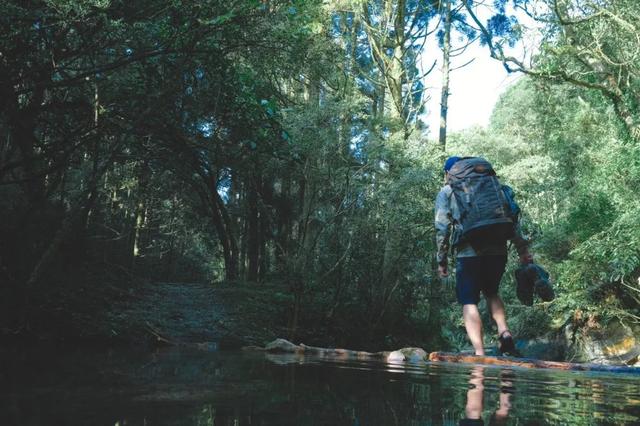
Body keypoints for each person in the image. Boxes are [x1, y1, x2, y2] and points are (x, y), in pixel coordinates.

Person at [435, 156, 532, 356]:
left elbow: (442, 228)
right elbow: (512, 218)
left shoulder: (447, 191)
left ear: (448, 173)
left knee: (468, 301)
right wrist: (523, 250)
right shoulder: (494, 187)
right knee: (492, 292)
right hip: (498, 249)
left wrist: (441, 259)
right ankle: (504, 333)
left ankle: (479, 354)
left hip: (468, 251)